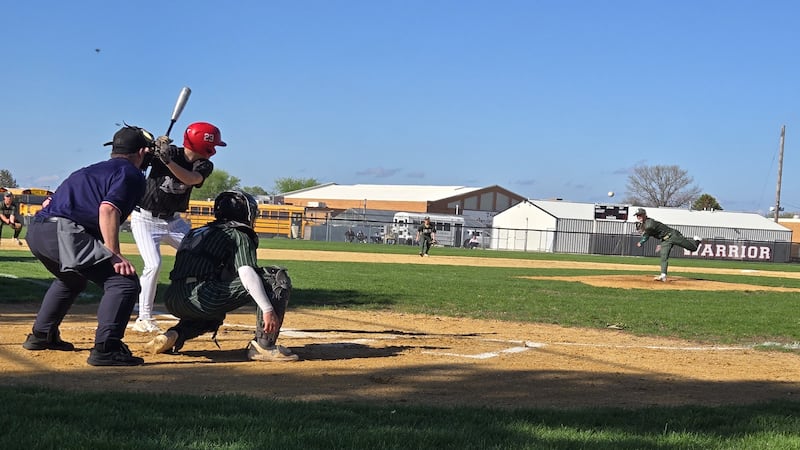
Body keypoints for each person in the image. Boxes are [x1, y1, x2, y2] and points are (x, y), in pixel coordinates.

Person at [23, 124, 153, 366]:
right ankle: (106, 348)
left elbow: (49, 203)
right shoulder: (131, 173)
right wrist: (114, 253)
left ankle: (41, 335)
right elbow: (108, 209)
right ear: (142, 152)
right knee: (123, 282)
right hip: (63, 232)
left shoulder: (88, 170)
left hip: (37, 231)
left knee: (71, 279)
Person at [144, 190, 298, 362]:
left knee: (212, 318)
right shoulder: (238, 234)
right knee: (274, 277)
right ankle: (264, 346)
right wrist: (267, 309)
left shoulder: (196, 232)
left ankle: (174, 334)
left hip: (173, 297)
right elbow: (246, 272)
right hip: (202, 296)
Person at [130, 122, 223, 333]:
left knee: (205, 254)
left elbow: (191, 179)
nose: (214, 150)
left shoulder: (203, 165)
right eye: (213, 145)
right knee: (153, 264)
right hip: (145, 219)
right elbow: (139, 158)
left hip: (173, 222)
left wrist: (168, 161)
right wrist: (153, 147)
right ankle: (144, 318)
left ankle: (202, 305)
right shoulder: (170, 152)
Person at [634, 208, 702, 282]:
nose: (638, 217)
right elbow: (647, 233)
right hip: (665, 240)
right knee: (663, 256)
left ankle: (697, 241)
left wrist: (641, 240)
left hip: (673, 235)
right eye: (637, 215)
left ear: (644, 215)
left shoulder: (649, 223)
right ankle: (663, 275)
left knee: (693, 249)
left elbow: (647, 233)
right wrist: (643, 236)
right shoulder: (645, 224)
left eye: (640, 215)